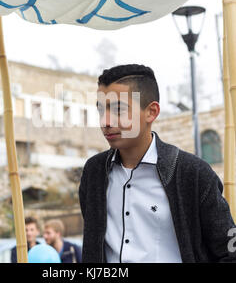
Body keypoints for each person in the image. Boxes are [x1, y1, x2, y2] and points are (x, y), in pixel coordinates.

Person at [79, 64, 236, 263]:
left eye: (119, 109)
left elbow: (229, 250)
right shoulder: (94, 172)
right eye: (101, 110)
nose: (106, 121)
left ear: (151, 112)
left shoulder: (192, 173)